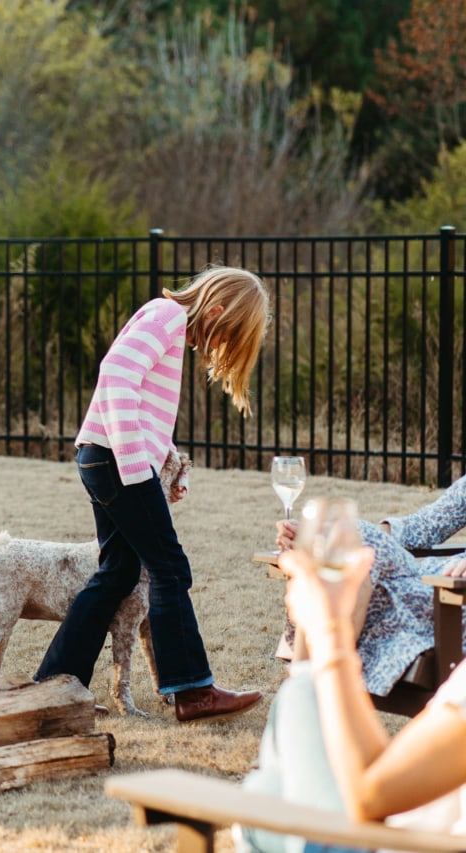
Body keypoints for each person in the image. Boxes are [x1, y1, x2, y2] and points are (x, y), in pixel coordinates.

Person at [34, 266, 270, 722]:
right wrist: (137, 468)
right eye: (227, 337)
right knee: (168, 565)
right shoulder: (166, 315)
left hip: (104, 457)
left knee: (118, 572)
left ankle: (56, 686)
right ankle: (193, 692)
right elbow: (116, 377)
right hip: (116, 461)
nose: (219, 348)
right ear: (216, 311)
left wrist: (170, 461)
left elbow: (141, 406)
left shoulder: (166, 321)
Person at [239, 545, 466, 852]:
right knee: (264, 791)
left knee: (302, 692)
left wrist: (328, 631)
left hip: (395, 842)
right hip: (409, 824)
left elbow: (368, 797)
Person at [274, 477, 466, 698]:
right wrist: (326, 538)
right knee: (355, 533)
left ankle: (302, 695)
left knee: (346, 569)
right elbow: (426, 525)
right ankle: (307, 695)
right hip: (421, 577)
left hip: (452, 595)